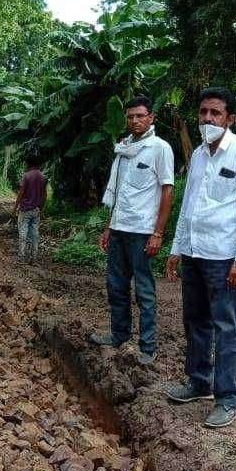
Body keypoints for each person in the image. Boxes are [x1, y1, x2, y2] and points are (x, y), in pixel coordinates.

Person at [164, 87, 236, 428]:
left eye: (215, 113)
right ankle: (199, 382)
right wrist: (177, 248)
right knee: (195, 320)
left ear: (229, 118)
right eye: (203, 112)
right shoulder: (197, 156)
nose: (207, 118)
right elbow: (188, 205)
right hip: (194, 252)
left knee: (227, 327)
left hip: (223, 256)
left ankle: (228, 398)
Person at [90, 95, 175, 367]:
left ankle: (148, 347)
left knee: (144, 291)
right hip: (119, 229)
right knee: (116, 285)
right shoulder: (124, 149)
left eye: (140, 116)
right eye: (130, 116)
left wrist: (158, 233)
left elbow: (167, 191)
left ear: (151, 118)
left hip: (142, 231)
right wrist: (109, 228)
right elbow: (119, 194)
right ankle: (119, 334)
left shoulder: (160, 149)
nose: (135, 120)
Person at [14, 154, 48, 264]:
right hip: (36, 210)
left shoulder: (26, 176)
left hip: (25, 209)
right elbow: (44, 195)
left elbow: (21, 192)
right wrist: (41, 208)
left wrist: (15, 207)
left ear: (28, 163)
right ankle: (33, 259)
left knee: (23, 234)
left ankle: (21, 258)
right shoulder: (43, 177)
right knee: (34, 235)